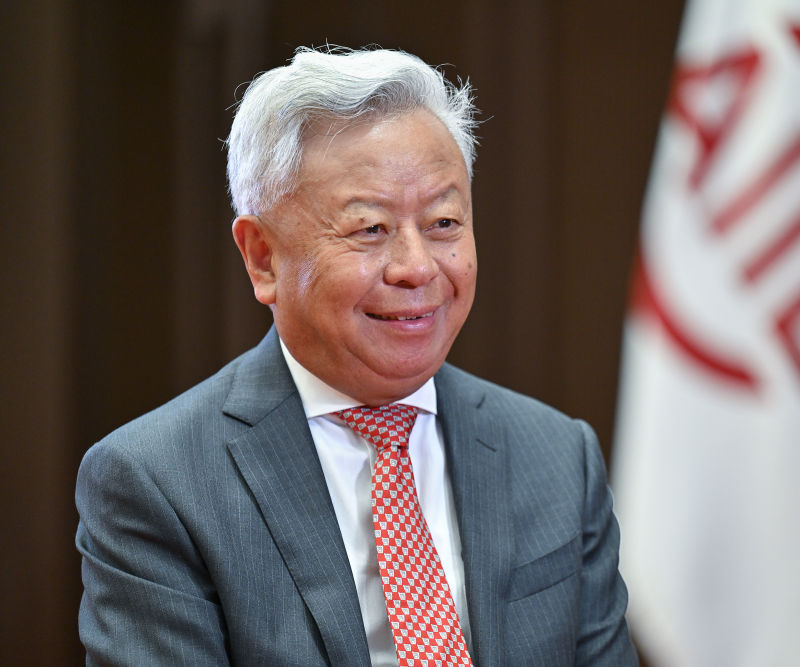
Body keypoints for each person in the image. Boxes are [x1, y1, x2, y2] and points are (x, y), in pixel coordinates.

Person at [75, 46, 636, 666]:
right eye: (370, 229)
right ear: (262, 257)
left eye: (444, 223)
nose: (417, 267)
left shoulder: (557, 456)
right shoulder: (157, 482)